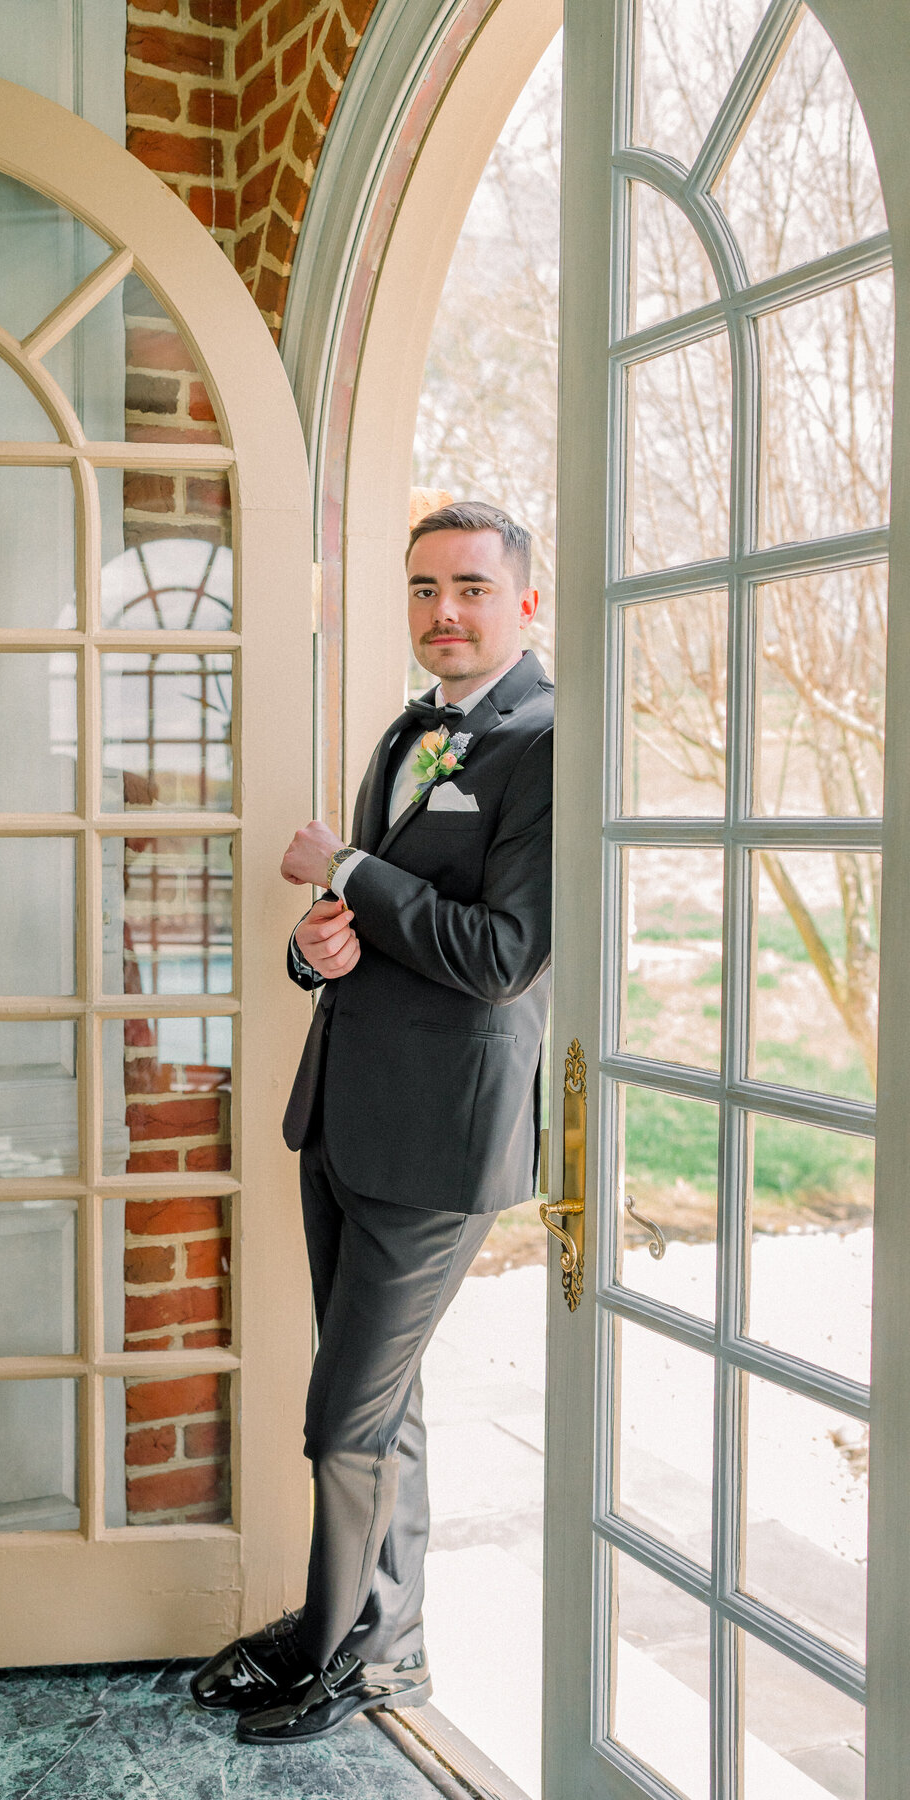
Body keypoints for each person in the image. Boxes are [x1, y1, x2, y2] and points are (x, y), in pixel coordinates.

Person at [190, 501, 554, 1744]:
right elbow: (380, 944)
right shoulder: (411, 730)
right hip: (344, 1116)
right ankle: (382, 1646)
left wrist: (347, 869)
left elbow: (504, 957)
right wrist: (315, 946)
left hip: (442, 1139)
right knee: (381, 1407)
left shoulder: (548, 743)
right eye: (420, 589)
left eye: (468, 587)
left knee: (339, 1415)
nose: (441, 611)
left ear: (525, 603)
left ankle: (325, 1648)